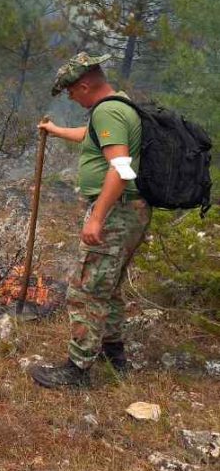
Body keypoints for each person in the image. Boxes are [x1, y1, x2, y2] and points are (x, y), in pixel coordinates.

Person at [29, 52, 151, 389]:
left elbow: (121, 166)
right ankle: (115, 357)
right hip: (129, 211)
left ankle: (77, 370)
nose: (70, 97)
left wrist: (97, 217)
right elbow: (92, 136)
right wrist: (54, 130)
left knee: (86, 291)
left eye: (70, 91)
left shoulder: (108, 110)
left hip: (116, 212)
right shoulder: (117, 105)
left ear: (85, 85)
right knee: (107, 287)